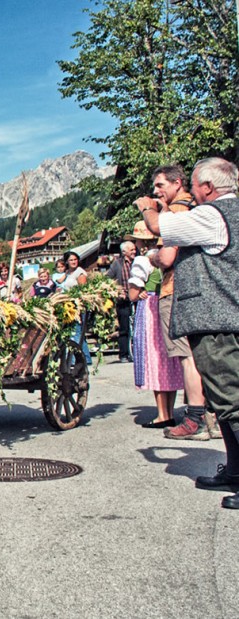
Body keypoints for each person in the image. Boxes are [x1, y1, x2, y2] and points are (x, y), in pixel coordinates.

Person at [136, 157, 239, 509]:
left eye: (195, 185)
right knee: (223, 401)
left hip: (219, 320)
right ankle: (235, 470)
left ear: (208, 187)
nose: (193, 192)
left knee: (232, 401)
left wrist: (149, 208)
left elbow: (159, 227)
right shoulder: (224, 213)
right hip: (217, 318)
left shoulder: (214, 214)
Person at [146, 165, 212, 440]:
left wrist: (153, 256)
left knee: (187, 357)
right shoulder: (197, 208)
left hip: (175, 290)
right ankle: (212, 417)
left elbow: (168, 257)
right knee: (202, 355)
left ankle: (195, 419)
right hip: (196, 289)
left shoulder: (176, 211)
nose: (156, 191)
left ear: (177, 183)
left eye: (161, 185)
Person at [125, 221, 183, 428]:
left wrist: (136, 292)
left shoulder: (142, 260)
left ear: (140, 241)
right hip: (168, 305)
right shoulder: (168, 255)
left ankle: (162, 414)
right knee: (169, 360)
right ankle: (170, 412)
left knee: (155, 359)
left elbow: (132, 294)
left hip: (150, 310)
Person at [106, 241, 136, 362]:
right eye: (131, 250)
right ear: (124, 252)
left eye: (134, 249)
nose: (134, 251)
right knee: (124, 328)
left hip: (137, 298)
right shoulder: (117, 264)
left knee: (137, 328)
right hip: (123, 300)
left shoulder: (138, 261)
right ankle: (123, 354)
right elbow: (107, 279)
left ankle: (137, 353)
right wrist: (117, 292)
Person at [60, 251, 92, 364]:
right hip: (69, 306)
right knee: (75, 333)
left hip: (78, 306)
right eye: (71, 260)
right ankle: (82, 359)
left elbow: (83, 292)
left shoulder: (80, 273)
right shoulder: (68, 273)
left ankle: (79, 360)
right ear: (67, 262)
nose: (74, 262)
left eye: (75, 259)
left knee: (76, 332)